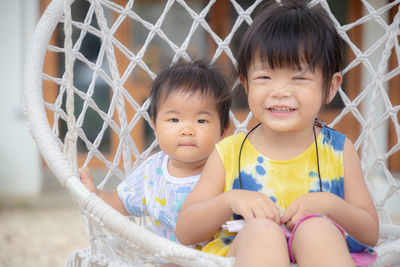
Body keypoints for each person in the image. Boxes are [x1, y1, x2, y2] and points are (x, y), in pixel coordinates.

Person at [175, 1, 379, 266]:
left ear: (330, 87)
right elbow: (185, 231)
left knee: (317, 229)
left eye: (299, 78)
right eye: (264, 77)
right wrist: (229, 200)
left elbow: (370, 233)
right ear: (246, 84)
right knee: (262, 231)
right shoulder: (229, 152)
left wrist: (331, 205)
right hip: (247, 253)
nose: (280, 91)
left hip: (321, 252)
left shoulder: (338, 151)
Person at [80, 60, 231, 247]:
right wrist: (94, 194)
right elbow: (120, 202)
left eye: (201, 121)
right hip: (170, 258)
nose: (187, 130)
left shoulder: (228, 167)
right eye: (174, 119)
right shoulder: (153, 170)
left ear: (223, 130)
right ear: (155, 126)